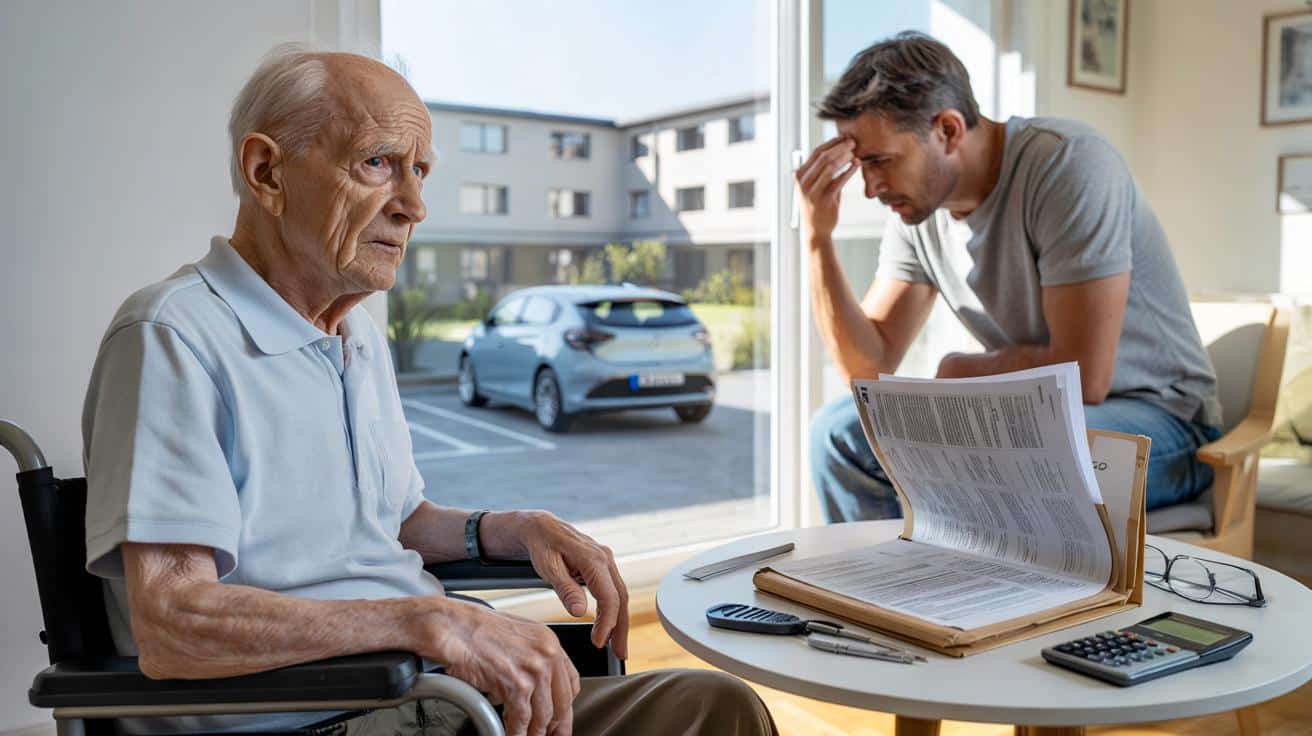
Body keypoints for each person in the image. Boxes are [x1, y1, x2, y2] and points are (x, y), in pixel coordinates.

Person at [81, 45, 776, 736]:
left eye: (420, 172)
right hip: (325, 718)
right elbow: (174, 624)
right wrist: (428, 620)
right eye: (378, 163)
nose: (413, 205)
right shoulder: (172, 336)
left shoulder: (358, 339)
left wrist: (510, 527)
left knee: (716, 707)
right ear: (267, 172)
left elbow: (396, 520)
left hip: (435, 701)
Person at [799, 32, 1221, 523]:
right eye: (859, 165)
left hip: (1163, 425)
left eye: (881, 161)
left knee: (998, 457)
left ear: (948, 131)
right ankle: (885, 589)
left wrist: (963, 373)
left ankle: (942, 591)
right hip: (1032, 417)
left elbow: (1084, 376)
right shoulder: (916, 213)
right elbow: (868, 369)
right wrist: (817, 238)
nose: (870, 188)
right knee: (839, 431)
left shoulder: (1069, 164)